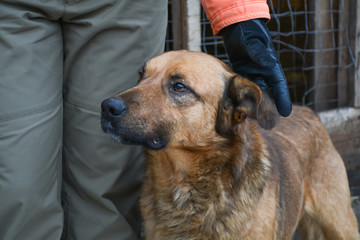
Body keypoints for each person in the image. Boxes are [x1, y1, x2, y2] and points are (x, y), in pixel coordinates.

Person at [0, 0, 291, 239]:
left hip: (123, 7)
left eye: (178, 87)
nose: (122, 99)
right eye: (144, 75)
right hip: (14, 8)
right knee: (18, 187)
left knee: (107, 190)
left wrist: (240, 13)